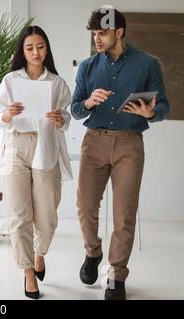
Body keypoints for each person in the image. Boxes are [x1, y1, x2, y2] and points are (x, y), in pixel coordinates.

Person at [71, 7, 169, 300]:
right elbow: (75, 109)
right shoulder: (87, 67)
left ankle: (116, 275)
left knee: (124, 215)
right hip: (94, 142)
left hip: (130, 144)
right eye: (94, 34)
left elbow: (163, 106)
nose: (97, 39)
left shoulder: (147, 65)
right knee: (85, 208)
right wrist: (88, 102)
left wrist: (152, 112)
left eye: (102, 33)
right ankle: (93, 252)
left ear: (119, 32)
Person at [0, 26, 73, 299]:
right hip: (16, 145)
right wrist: (8, 114)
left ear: (46, 49)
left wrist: (60, 120)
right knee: (18, 214)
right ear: (22, 52)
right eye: (30, 48)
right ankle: (28, 272)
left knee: (47, 215)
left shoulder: (58, 83)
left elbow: (67, 119)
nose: (36, 52)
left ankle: (40, 253)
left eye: (40, 47)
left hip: (45, 146)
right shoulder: (11, 80)